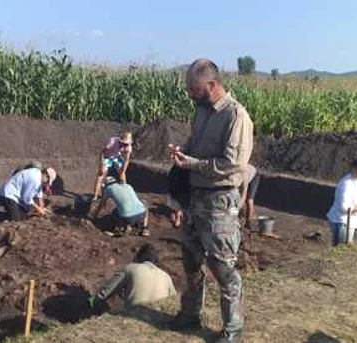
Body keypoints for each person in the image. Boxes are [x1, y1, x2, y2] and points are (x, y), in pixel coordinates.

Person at [167, 59, 253, 343]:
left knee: (223, 267)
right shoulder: (201, 112)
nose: (190, 94)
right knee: (191, 259)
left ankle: (233, 328)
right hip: (196, 198)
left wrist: (192, 163)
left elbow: (232, 165)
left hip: (220, 202)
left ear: (212, 85)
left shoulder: (236, 116)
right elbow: (195, 145)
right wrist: (183, 153)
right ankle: (191, 313)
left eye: (194, 89)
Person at [89, 244, 176, 308]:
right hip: (158, 320)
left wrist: (90, 302)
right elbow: (173, 301)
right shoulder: (166, 276)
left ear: (138, 258)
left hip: (134, 316)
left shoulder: (129, 269)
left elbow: (106, 293)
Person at [326, 159, 357, 246]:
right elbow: (344, 208)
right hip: (341, 222)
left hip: (349, 221)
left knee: (341, 248)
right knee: (342, 249)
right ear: (353, 168)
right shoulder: (346, 184)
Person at [91, 170, 150, 237]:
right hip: (141, 214)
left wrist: (94, 216)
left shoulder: (109, 189)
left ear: (106, 184)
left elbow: (102, 204)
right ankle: (145, 228)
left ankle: (122, 227)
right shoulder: (128, 186)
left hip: (127, 218)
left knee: (115, 212)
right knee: (144, 203)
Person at [93, 131, 133, 201]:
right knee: (100, 174)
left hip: (116, 157)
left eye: (126, 144)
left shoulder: (128, 147)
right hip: (107, 157)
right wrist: (101, 165)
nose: (124, 145)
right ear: (120, 141)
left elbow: (127, 160)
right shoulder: (113, 141)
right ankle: (95, 196)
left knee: (122, 175)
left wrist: (123, 171)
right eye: (123, 143)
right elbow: (102, 152)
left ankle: (126, 196)